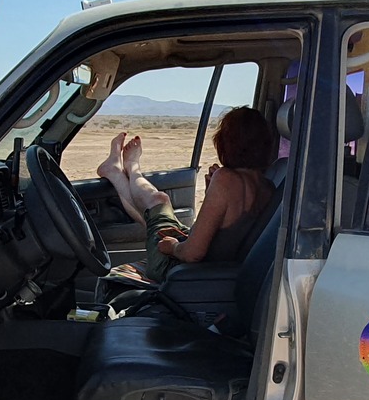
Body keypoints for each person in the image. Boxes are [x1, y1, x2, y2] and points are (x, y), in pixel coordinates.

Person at [97, 106, 277, 281]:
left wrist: (173, 247)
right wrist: (211, 192)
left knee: (159, 201)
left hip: (183, 271)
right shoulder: (268, 187)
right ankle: (116, 172)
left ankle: (131, 167)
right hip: (215, 267)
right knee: (154, 216)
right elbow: (231, 232)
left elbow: (192, 254)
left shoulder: (225, 178)